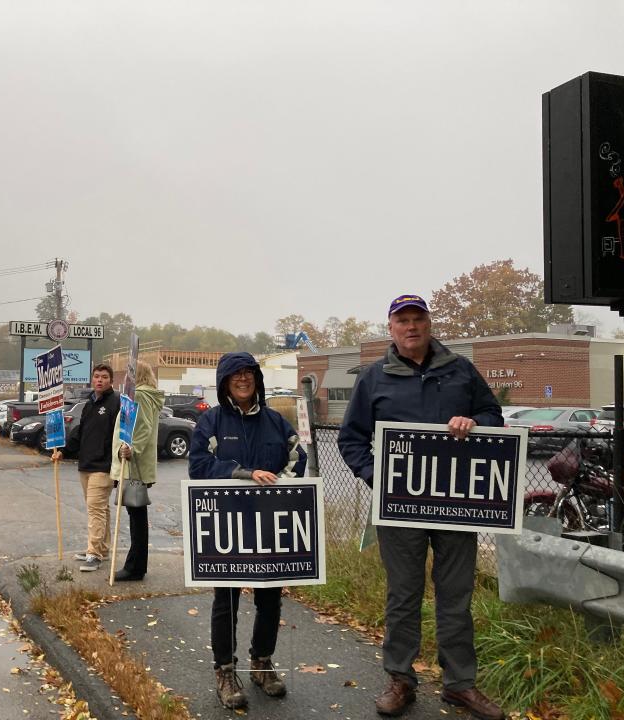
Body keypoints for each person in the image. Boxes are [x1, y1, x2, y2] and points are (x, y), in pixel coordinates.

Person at [337, 294, 504, 720]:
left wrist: (476, 423)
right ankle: (400, 679)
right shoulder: (374, 377)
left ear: (429, 324)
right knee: (404, 594)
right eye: (402, 321)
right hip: (399, 508)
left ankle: (459, 685)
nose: (411, 327)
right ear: (391, 329)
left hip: (456, 505)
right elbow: (351, 440)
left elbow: (493, 414)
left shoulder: (460, 370)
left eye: (418, 319)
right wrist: (379, 477)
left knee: (456, 595)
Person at [188, 352, 307, 710]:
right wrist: (243, 474)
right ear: (225, 382)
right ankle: (225, 670)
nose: (243, 379)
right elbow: (199, 466)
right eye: (235, 375)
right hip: (226, 525)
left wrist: (279, 488)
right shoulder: (210, 422)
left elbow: (297, 458)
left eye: (248, 373)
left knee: (270, 596)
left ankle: (262, 663)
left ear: (256, 378)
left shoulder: (275, 421)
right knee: (225, 600)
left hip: (269, 525)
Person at [52, 363, 120, 572]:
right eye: (97, 376)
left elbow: (123, 433)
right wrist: (63, 450)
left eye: (104, 377)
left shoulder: (116, 402)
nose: (99, 380)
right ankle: (102, 548)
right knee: (101, 510)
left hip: (104, 466)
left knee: (95, 509)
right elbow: (80, 432)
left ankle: (94, 553)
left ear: (111, 380)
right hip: (86, 464)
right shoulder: (89, 403)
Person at [110, 361, 164, 582]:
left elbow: (142, 427)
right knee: (137, 516)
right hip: (135, 463)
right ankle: (136, 565)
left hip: (133, 465)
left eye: (130, 373)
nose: (125, 378)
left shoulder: (140, 396)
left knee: (137, 516)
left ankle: (135, 567)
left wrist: (132, 448)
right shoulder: (145, 395)